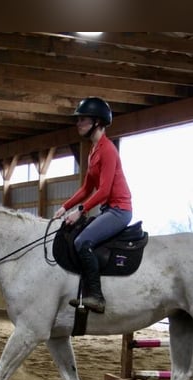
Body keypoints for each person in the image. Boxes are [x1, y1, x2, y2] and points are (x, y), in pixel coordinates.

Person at [54, 97, 133, 314]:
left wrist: (80, 211)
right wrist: (65, 206)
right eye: (78, 120)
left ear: (97, 122)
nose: (78, 124)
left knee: (82, 241)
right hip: (110, 209)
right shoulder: (93, 150)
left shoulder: (107, 150)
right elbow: (86, 188)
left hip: (120, 210)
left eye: (83, 120)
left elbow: (105, 190)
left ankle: (96, 296)